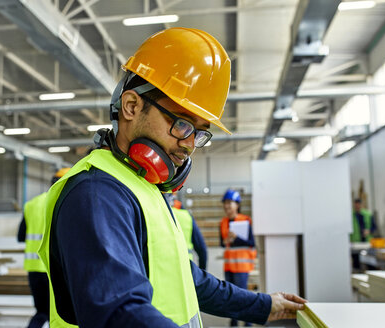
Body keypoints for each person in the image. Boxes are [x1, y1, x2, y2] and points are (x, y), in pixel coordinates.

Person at [38, 27, 306, 327]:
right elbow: (120, 313)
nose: (190, 143)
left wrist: (263, 305)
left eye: (200, 131)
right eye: (181, 123)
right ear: (131, 106)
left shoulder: (145, 188)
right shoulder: (97, 195)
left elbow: (185, 277)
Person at [17, 168, 70, 328]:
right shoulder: (64, 201)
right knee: (64, 316)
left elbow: (20, 237)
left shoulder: (31, 204)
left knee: (41, 312)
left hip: (34, 269)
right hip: (55, 269)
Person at [219, 189, 257, 327]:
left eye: (230, 203)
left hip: (241, 267)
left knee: (242, 296)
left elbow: (252, 243)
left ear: (237, 205)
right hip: (228, 266)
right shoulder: (223, 222)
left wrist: (237, 237)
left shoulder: (245, 221)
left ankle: (248, 323)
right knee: (230, 296)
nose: (227, 206)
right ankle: (233, 322)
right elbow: (222, 244)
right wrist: (226, 240)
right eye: (225, 203)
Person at [164, 193, 208, 270]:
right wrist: (202, 273)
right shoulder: (186, 216)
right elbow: (202, 250)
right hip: (187, 268)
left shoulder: (151, 215)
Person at [350, 198, 378, 270]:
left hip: (367, 242)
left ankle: (372, 275)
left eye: (358, 206)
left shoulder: (368, 214)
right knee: (356, 263)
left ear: (361, 205)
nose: (357, 207)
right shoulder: (350, 215)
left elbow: (374, 227)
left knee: (370, 262)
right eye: (356, 206)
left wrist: (369, 231)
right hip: (355, 243)